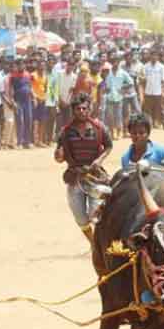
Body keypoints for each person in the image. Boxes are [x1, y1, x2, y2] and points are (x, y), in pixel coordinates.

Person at [54, 93, 113, 245]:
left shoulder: (99, 128)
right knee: (80, 218)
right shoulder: (65, 132)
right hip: (75, 178)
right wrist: (58, 155)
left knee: (96, 214)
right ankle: (94, 244)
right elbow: (59, 156)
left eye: (84, 108)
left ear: (89, 109)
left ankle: (102, 244)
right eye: (78, 109)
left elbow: (109, 146)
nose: (81, 111)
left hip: (95, 177)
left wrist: (99, 161)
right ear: (73, 110)